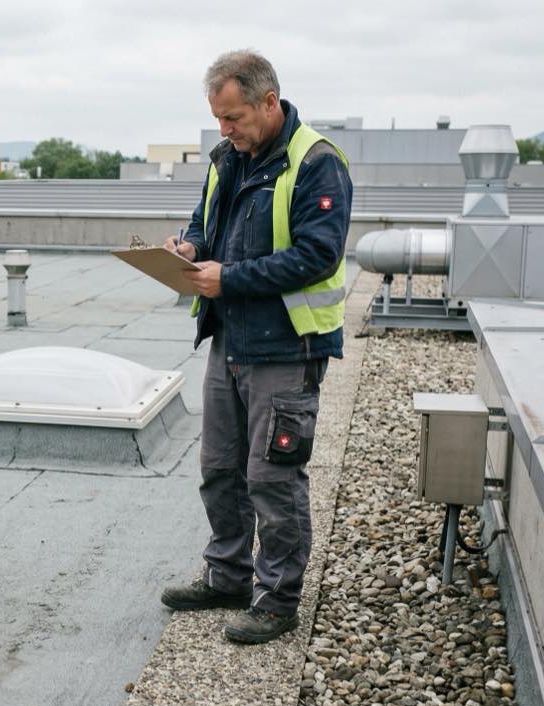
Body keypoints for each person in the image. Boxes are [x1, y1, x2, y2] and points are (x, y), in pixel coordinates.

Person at [159, 50, 353, 644]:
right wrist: (188, 249)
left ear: (269, 102)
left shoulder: (318, 163)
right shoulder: (227, 158)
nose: (225, 130)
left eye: (234, 117)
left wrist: (229, 278)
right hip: (230, 339)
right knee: (220, 469)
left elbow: (317, 254)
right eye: (219, 118)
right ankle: (228, 576)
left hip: (287, 348)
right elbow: (204, 225)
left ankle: (278, 600)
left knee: (273, 477)